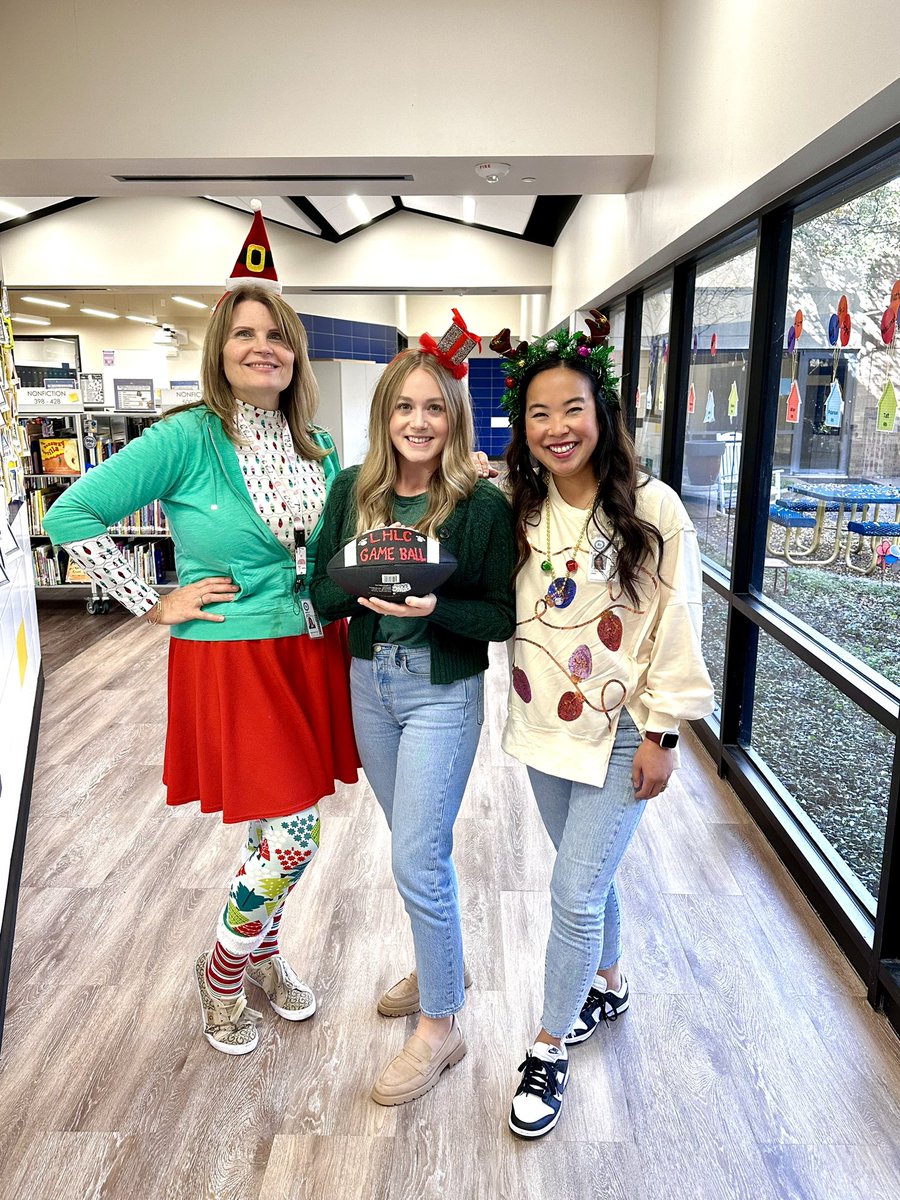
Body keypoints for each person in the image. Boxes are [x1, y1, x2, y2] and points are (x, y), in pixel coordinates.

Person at [42, 206, 360, 1056]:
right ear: (219, 349)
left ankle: (262, 955)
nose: (265, 347)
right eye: (245, 333)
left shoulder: (316, 443)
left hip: (306, 648)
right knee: (296, 834)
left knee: (274, 828)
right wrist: (152, 600)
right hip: (233, 656)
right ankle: (221, 971)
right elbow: (70, 515)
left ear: (295, 352)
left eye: (279, 334)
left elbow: (327, 547)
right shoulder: (185, 436)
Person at [493, 322, 714, 1137]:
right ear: (524, 426)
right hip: (539, 723)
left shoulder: (652, 506)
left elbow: (675, 622)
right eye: (540, 413)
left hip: (624, 728)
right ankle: (609, 984)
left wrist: (664, 735)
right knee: (586, 876)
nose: (558, 427)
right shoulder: (518, 505)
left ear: (602, 413)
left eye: (573, 408)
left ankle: (549, 1045)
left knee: (574, 889)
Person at [311, 315, 517, 1106]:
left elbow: (498, 615)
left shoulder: (479, 507)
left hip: (442, 690)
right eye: (405, 407)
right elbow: (323, 591)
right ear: (384, 414)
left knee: (414, 858)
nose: (419, 422)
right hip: (372, 686)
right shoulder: (352, 490)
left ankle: (442, 1025)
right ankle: (443, 962)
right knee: (414, 846)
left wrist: (431, 610)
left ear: (454, 417)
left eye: (434, 408)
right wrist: (368, 582)